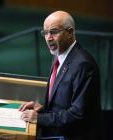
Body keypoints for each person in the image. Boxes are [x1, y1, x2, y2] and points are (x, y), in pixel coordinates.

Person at [20, 11, 102, 140]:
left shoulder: (83, 65)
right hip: (56, 131)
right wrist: (42, 109)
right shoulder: (60, 55)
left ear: (69, 32)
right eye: (45, 33)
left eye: (53, 32)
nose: (48, 38)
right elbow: (63, 102)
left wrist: (39, 118)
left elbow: (77, 114)